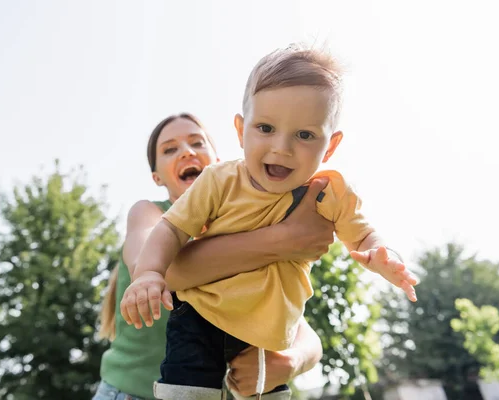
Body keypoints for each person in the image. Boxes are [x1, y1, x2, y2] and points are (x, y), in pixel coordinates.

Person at [121, 44, 419, 400]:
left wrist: (383, 256)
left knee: (271, 390)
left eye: (305, 134)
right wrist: (150, 273)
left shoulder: (327, 192)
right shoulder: (214, 183)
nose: (282, 147)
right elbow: (169, 232)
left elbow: (365, 236)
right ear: (241, 130)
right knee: (188, 388)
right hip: (199, 316)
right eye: (266, 128)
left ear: (330, 146)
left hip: (265, 334)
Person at [94, 112, 336, 400]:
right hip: (130, 394)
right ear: (157, 177)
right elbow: (163, 272)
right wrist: (286, 238)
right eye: (170, 149)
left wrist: (291, 361)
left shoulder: (251, 222)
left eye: (197, 143)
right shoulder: (150, 214)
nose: (186, 152)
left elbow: (299, 327)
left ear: (218, 161)